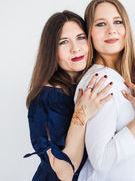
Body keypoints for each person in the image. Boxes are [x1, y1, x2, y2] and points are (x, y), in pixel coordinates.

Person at [74, 0, 135, 181]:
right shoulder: (101, 81)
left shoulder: (119, 79)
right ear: (89, 33)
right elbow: (101, 160)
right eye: (101, 24)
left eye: (118, 21)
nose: (112, 30)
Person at [24, 10, 114, 181]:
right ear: (51, 50)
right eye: (64, 42)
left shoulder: (87, 83)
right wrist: (81, 114)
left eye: (80, 37)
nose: (76, 48)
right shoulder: (47, 98)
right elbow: (65, 172)